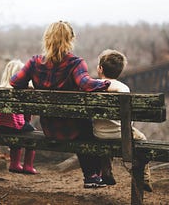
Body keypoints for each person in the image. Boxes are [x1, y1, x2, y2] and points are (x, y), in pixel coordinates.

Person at [10, 21, 111, 188]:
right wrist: (105, 83)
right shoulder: (75, 63)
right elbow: (86, 84)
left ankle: (94, 176)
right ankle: (92, 175)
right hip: (74, 129)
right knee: (88, 127)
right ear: (70, 39)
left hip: (50, 128)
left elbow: (15, 81)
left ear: (47, 39)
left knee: (84, 125)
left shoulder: (34, 63)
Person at [93, 49, 153, 192]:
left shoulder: (93, 86)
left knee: (105, 141)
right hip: (121, 134)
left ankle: (106, 171)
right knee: (142, 139)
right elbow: (128, 118)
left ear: (100, 69)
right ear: (119, 72)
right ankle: (145, 178)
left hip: (99, 134)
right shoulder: (123, 88)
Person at [0, 59, 38, 174]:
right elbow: (26, 115)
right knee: (32, 133)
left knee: (17, 132)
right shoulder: (22, 91)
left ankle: (14, 164)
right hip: (15, 126)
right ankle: (28, 166)